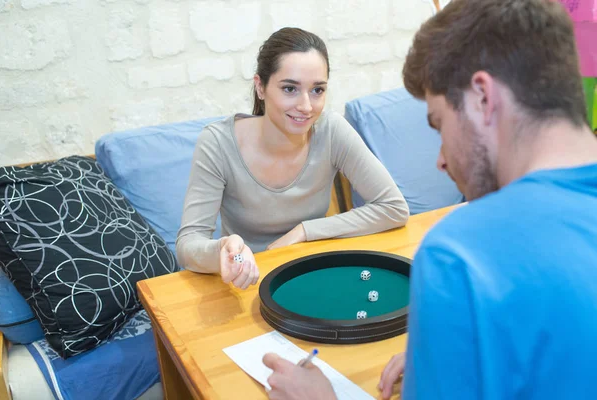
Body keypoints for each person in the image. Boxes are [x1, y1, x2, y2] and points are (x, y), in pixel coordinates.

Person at [263, 0, 597, 398]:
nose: (441, 160)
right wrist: (449, 356)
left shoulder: (459, 254)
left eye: (439, 123)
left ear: (482, 98)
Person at [176, 28, 409, 289]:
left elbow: (393, 208)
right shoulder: (218, 143)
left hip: (310, 275)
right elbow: (188, 244)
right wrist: (221, 251)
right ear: (260, 87)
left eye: (317, 90)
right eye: (290, 89)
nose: (307, 106)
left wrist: (304, 231)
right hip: (245, 283)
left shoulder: (331, 130)